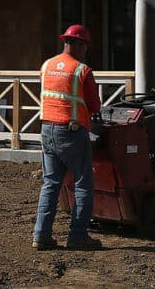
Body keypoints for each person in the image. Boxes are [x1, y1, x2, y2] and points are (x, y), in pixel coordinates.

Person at [32, 24, 102, 250]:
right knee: (83, 183)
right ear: (80, 45)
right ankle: (78, 236)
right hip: (71, 132)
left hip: (47, 129)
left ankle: (41, 235)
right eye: (86, 46)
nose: (86, 51)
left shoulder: (47, 65)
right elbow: (94, 105)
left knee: (51, 183)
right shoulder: (82, 70)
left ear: (66, 42)